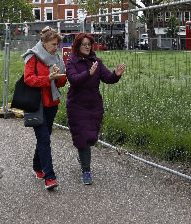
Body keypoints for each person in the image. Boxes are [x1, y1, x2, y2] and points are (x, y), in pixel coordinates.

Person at [65, 32, 126, 185]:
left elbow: (107, 78)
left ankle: (83, 155)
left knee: (91, 137)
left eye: (89, 44)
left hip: (94, 106)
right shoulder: (72, 62)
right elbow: (73, 80)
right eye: (83, 44)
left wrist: (116, 75)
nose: (87, 47)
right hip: (76, 105)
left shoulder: (96, 61)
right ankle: (86, 171)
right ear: (78, 46)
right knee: (83, 137)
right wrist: (88, 73)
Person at [22, 26, 67, 190]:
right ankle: (50, 177)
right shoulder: (33, 57)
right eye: (53, 44)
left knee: (45, 136)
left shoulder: (58, 58)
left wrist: (59, 76)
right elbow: (29, 79)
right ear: (44, 42)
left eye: (57, 45)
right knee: (44, 139)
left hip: (52, 103)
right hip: (37, 103)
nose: (56, 48)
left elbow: (62, 82)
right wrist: (48, 78)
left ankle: (37, 166)